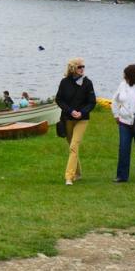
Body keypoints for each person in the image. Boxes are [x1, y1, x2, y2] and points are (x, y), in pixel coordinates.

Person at [55, 57, 96, 185]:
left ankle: (69, 177)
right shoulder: (64, 82)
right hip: (67, 118)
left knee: (74, 145)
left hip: (82, 120)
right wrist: (71, 111)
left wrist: (82, 112)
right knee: (72, 146)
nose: (82, 69)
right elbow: (59, 99)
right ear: (73, 68)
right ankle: (78, 173)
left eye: (83, 66)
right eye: (79, 67)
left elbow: (92, 102)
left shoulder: (87, 83)